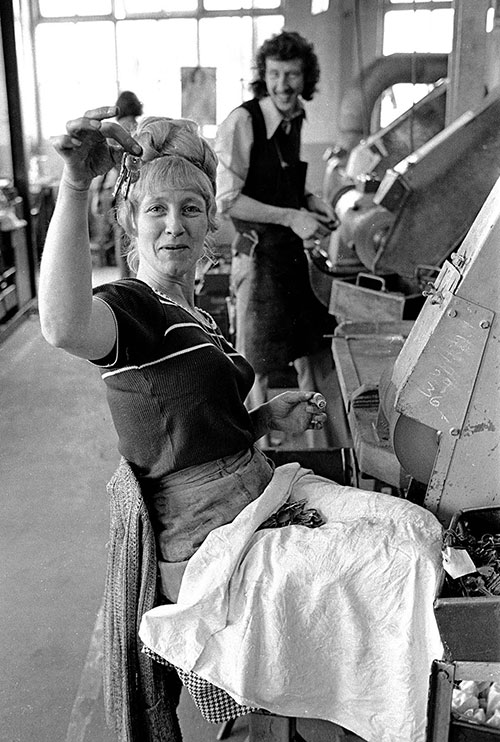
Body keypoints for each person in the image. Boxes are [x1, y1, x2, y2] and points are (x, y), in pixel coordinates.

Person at [39, 107, 444, 742]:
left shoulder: (197, 317)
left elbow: (198, 424)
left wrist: (260, 419)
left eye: (192, 209)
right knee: (390, 566)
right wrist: (73, 184)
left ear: (210, 225)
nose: (175, 226)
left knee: (417, 532)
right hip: (209, 541)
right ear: (130, 226)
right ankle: (370, 713)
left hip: (253, 498)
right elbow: (62, 325)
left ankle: (370, 709)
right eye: (157, 210)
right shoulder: (130, 310)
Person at [215, 30, 350, 448]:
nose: (283, 86)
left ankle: (325, 451)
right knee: (253, 365)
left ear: (304, 77)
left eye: (292, 75)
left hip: (290, 256)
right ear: (264, 76)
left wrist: (313, 202)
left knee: (312, 350)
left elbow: (283, 183)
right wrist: (293, 216)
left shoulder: (295, 119)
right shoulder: (243, 122)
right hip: (256, 259)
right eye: (274, 75)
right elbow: (228, 200)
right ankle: (253, 454)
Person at [89, 90, 143, 276]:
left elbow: (104, 168)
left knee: (120, 235)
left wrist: (97, 195)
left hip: (115, 190)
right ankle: (138, 277)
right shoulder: (140, 127)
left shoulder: (113, 129)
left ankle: (123, 277)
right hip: (137, 188)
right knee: (137, 233)